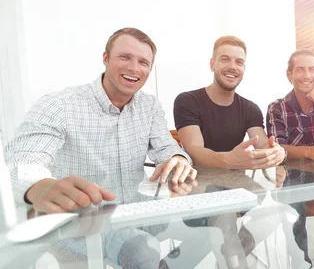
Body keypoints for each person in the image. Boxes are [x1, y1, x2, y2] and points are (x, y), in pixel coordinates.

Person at [5, 27, 197, 213]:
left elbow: (165, 147)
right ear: (105, 58)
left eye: (143, 62)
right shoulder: (60, 104)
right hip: (80, 227)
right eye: (125, 57)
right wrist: (41, 186)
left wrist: (177, 158)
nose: (134, 68)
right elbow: (22, 162)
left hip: (134, 220)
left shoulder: (150, 106)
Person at [173, 36, 285, 169]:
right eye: (225, 59)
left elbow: (263, 145)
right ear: (212, 64)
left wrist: (277, 152)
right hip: (196, 182)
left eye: (239, 62)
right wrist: (228, 160)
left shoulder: (250, 109)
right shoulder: (187, 101)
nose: (232, 67)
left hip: (237, 183)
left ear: (244, 68)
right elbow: (194, 151)